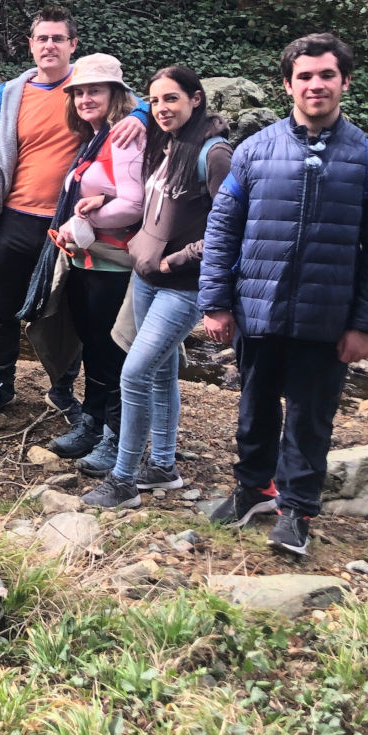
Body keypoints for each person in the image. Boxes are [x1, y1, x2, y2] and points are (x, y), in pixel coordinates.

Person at [199, 33, 368, 556]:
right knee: (254, 408)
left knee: (312, 417)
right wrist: (216, 303)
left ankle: (297, 512)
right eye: (305, 76)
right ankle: (252, 490)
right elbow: (223, 230)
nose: (316, 85)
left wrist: (366, 325)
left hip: (328, 317)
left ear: (344, 82)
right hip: (258, 307)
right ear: (288, 84)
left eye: (327, 75)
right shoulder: (253, 152)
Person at [0, 8, 146, 422]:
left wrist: (138, 115)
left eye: (58, 39)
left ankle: (62, 390)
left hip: (69, 224)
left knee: (66, 311)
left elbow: (148, 103)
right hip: (14, 218)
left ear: (72, 46)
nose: (49, 45)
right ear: (30, 45)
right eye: (42, 38)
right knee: (3, 309)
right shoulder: (12, 93)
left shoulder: (88, 87)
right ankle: (1, 385)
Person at [81, 68, 232, 510]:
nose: (162, 108)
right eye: (155, 101)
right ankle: (163, 466)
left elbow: (229, 228)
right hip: (145, 276)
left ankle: (124, 479)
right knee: (161, 372)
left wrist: (176, 260)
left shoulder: (214, 153)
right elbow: (155, 201)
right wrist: (106, 203)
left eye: (172, 99)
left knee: (135, 373)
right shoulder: (167, 142)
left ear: (197, 99)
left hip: (182, 285)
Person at [37, 55, 144, 476]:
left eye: (94, 90)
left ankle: (116, 436)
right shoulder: (95, 137)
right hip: (87, 260)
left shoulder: (124, 136)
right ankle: (93, 422)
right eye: (79, 92)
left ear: (115, 94)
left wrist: (80, 220)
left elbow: (133, 203)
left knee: (111, 351)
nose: (84, 98)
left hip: (112, 265)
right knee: (94, 348)